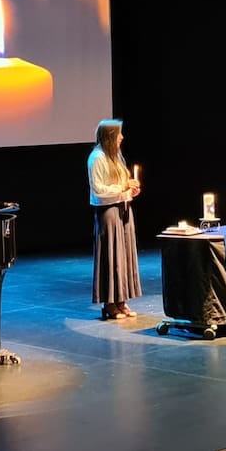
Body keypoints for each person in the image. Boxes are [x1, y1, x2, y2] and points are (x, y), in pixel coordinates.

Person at [88, 119, 142, 320]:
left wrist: (130, 190)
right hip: (108, 211)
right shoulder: (97, 158)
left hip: (123, 208)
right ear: (110, 137)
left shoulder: (116, 156)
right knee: (111, 255)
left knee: (124, 255)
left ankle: (122, 300)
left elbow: (122, 184)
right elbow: (99, 190)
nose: (122, 137)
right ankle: (109, 303)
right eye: (118, 134)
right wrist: (123, 188)